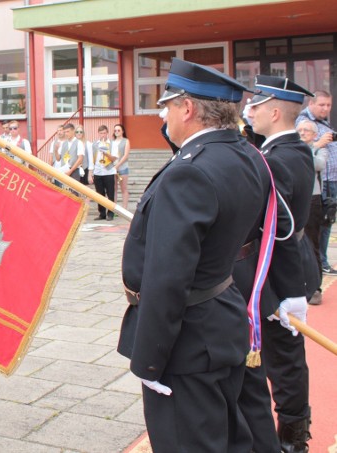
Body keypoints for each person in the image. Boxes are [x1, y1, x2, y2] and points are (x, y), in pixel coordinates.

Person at [116, 58, 270, 452]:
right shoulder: (245, 155)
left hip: (186, 340)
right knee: (226, 437)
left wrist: (150, 362)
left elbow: (167, 277)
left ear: (187, 108)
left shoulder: (189, 172)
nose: (163, 115)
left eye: (168, 106)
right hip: (220, 320)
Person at [238, 75, 316, 453]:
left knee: (284, 361)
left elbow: (280, 231)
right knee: (277, 356)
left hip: (281, 270)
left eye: (254, 105)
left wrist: (286, 290)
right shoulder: (280, 149)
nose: (247, 111)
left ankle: (292, 439)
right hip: (276, 268)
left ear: (273, 111)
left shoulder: (282, 157)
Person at [296, 91, 337, 274]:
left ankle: (322, 260)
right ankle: (320, 262)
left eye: (328, 105)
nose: (326, 108)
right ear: (311, 104)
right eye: (322, 105)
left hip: (331, 178)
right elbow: (306, 154)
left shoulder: (324, 123)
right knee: (316, 227)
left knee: (327, 222)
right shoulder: (303, 122)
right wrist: (317, 144)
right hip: (318, 184)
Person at [298, 119, 330, 305]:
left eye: (307, 131)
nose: (302, 134)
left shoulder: (319, 149)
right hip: (296, 198)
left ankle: (316, 287)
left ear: (315, 134)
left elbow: (318, 165)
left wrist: (307, 148)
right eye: (300, 130)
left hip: (312, 199)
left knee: (312, 243)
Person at [87, 124, 117, 220]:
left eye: (104, 133)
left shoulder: (113, 143)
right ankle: (102, 213)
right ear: (98, 134)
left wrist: (106, 154)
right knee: (99, 194)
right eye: (101, 133)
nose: (103, 135)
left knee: (110, 193)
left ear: (107, 133)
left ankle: (110, 213)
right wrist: (90, 173)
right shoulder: (95, 144)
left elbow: (114, 158)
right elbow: (92, 159)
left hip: (109, 171)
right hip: (98, 171)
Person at [111, 123, 131, 209]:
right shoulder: (112, 142)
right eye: (115, 130)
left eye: (118, 130)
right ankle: (114, 208)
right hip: (113, 167)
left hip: (122, 167)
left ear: (122, 131)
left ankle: (124, 208)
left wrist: (118, 165)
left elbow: (125, 155)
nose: (117, 132)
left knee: (123, 188)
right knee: (114, 188)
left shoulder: (126, 141)